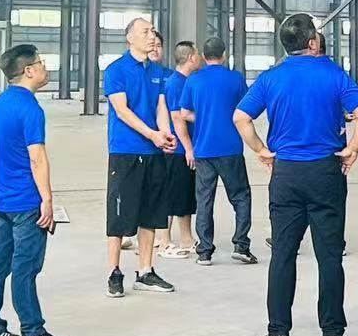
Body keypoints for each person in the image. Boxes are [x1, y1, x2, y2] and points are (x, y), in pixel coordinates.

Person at [234, 12, 358, 336]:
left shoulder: (270, 78)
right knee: (330, 255)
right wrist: (353, 149)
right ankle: (333, 333)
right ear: (313, 42)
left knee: (283, 253)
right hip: (326, 172)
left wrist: (261, 151)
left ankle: (278, 332)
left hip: (287, 174)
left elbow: (241, 117)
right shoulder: (334, 74)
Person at [0, 44, 71, 336]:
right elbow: (37, 157)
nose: (45, 67)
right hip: (28, 202)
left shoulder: (0, 103)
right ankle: (32, 332)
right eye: (41, 63)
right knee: (25, 267)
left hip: (3, 200)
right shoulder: (30, 109)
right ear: (29, 71)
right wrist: (47, 200)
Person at [103, 16, 177, 297]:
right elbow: (122, 110)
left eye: (153, 31)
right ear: (130, 38)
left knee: (151, 212)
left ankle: (145, 271)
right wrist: (151, 134)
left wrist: (165, 134)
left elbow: (160, 107)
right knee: (119, 214)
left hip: (154, 150)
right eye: (145, 31)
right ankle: (114, 272)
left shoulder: (157, 72)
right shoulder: (116, 70)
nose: (151, 36)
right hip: (126, 151)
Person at [177, 35, 255, 266]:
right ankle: (241, 245)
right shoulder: (235, 79)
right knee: (241, 197)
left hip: (203, 150)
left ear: (203, 56)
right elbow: (246, 111)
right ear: (224, 55)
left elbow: (184, 113)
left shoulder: (193, 80)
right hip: (230, 148)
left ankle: (204, 251)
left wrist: (204, 118)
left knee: (204, 200)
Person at [161, 40, 203, 259]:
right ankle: (164, 241)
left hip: (184, 149)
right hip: (177, 150)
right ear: (190, 57)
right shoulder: (176, 83)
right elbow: (177, 119)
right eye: (197, 54)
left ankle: (186, 238)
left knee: (184, 194)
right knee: (171, 195)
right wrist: (188, 148)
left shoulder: (186, 81)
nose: (200, 57)